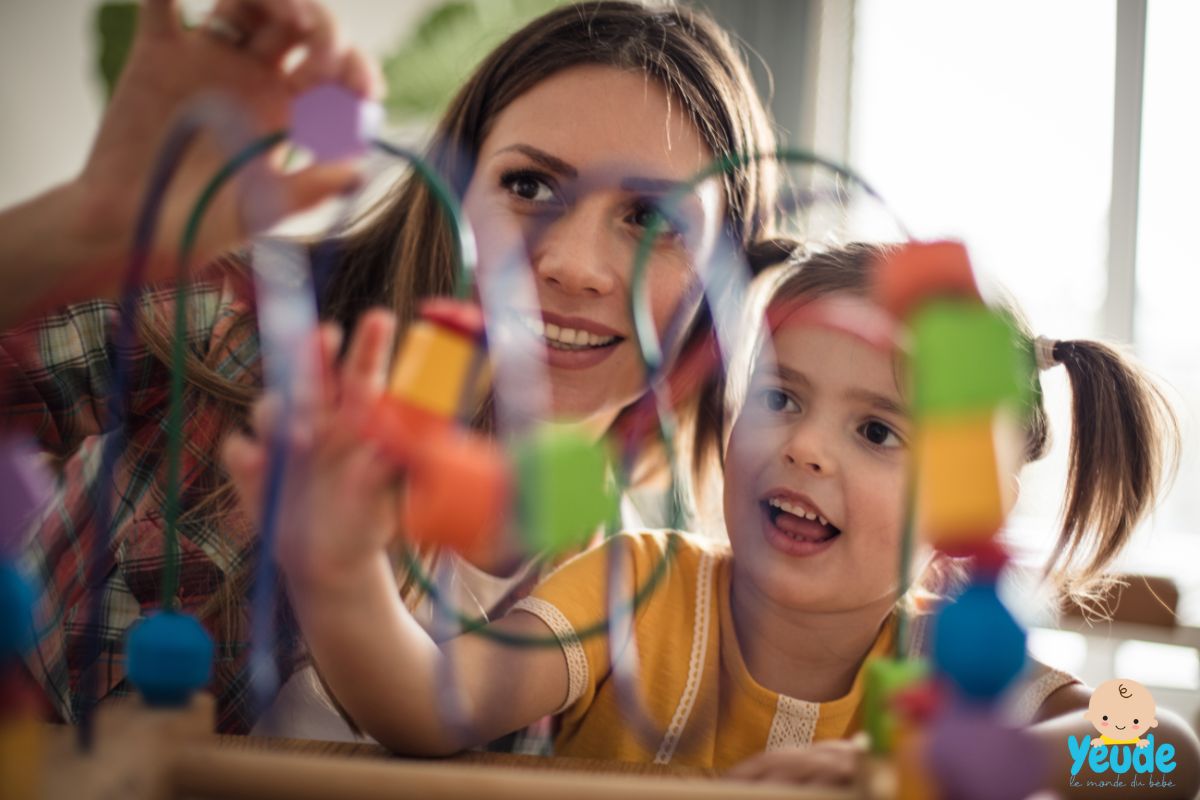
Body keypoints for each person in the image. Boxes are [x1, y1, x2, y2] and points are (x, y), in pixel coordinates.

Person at [0, 0, 778, 735]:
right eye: (529, 185)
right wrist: (84, 223)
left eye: (652, 219)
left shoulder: (633, 591)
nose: (576, 266)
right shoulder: (231, 330)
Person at [224, 242, 1198, 796]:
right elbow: (429, 703)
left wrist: (960, 752)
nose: (807, 446)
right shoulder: (631, 583)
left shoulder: (961, 657)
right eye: (780, 396)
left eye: (874, 428)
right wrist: (341, 572)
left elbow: (1163, 742)